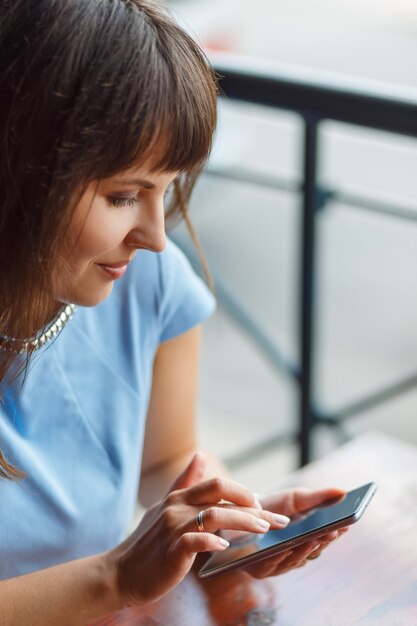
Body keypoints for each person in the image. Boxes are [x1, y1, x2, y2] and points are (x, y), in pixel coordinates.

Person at [0, 1, 346, 623]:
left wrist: (225, 522)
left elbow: (163, 463)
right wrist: (112, 579)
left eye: (166, 189)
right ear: (19, 169)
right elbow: (113, 579)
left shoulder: (147, 284)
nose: (156, 236)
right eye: (124, 195)